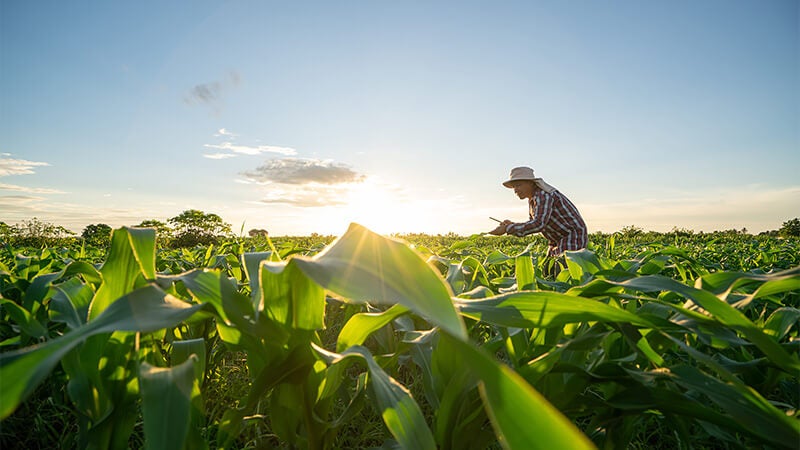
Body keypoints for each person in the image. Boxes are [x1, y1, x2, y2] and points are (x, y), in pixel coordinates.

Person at [489, 166, 588, 260]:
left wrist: (507, 229)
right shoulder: (532, 199)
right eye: (514, 187)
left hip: (571, 235)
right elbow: (532, 222)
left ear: (531, 183)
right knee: (549, 269)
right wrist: (512, 225)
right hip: (556, 240)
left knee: (562, 267)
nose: (515, 190)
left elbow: (538, 224)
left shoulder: (543, 195)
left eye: (519, 185)